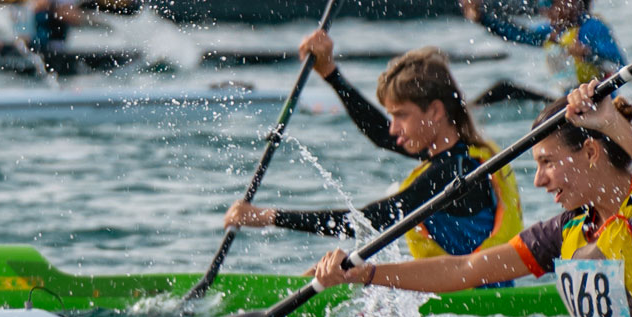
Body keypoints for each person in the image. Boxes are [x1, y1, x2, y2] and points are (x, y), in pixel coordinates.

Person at [306, 82, 632, 317]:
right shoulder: (570, 228)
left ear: (591, 152)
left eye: (547, 162)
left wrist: (615, 127)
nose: (540, 179)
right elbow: (466, 269)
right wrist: (364, 273)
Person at [223, 34, 521, 259]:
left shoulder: (453, 175)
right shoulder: (463, 154)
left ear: (435, 111)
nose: (393, 128)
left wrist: (268, 217)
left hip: (470, 299)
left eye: (401, 115)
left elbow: (366, 221)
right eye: (392, 115)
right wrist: (330, 73)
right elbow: (379, 133)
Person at [460, 0, 624, 89]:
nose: (544, 11)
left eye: (548, 2)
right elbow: (517, 34)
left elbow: (619, 63)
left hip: (599, 102)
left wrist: (588, 54)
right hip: (567, 102)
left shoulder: (593, 28)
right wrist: (483, 18)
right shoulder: (551, 32)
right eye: (541, 4)